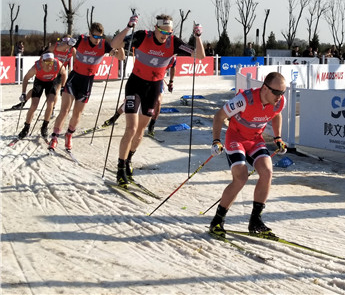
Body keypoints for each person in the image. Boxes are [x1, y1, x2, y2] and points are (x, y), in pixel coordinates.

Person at [110, 14, 205, 187]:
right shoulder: (142, 36)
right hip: (136, 85)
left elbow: (200, 56)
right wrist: (127, 27)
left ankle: (129, 159)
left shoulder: (173, 42)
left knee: (140, 132)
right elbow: (114, 45)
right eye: (162, 31)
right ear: (155, 28)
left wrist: (198, 37)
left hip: (153, 89)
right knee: (131, 128)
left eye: (168, 32)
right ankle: (120, 168)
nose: (165, 35)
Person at [209, 72, 287, 236]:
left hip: (255, 139)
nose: (279, 97)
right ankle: (217, 221)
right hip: (235, 138)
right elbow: (219, 116)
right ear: (265, 88)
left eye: (283, 93)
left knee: (267, 172)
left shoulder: (278, 103)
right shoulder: (244, 100)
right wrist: (216, 140)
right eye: (276, 92)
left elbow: (276, 114)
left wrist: (277, 137)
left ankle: (255, 221)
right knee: (241, 178)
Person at [49, 23, 125, 151]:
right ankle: (55, 137)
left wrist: (119, 46)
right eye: (94, 36)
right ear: (90, 34)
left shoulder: (104, 44)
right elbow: (58, 49)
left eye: (99, 37)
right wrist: (69, 43)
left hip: (87, 82)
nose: (97, 39)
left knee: (77, 113)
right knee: (64, 110)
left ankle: (69, 134)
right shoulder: (81, 40)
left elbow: (121, 57)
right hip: (74, 78)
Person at [17, 53, 67, 139]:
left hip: (51, 82)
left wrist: (63, 86)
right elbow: (26, 78)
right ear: (42, 61)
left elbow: (64, 73)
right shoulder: (36, 67)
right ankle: (26, 127)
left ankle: (44, 127)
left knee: (50, 103)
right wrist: (23, 92)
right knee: (34, 105)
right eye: (47, 63)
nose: (49, 65)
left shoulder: (57, 64)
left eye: (51, 62)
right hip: (39, 82)